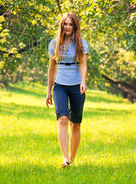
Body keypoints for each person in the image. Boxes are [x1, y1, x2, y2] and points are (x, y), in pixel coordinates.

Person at [46, 12, 89, 168]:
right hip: (60, 86)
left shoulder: (82, 43)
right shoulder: (54, 43)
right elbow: (51, 69)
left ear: (75, 26)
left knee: (75, 124)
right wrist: (49, 91)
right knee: (63, 119)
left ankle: (72, 158)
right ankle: (65, 158)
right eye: (65, 24)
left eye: (71, 24)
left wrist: (83, 82)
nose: (68, 27)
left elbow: (83, 64)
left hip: (77, 85)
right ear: (61, 25)